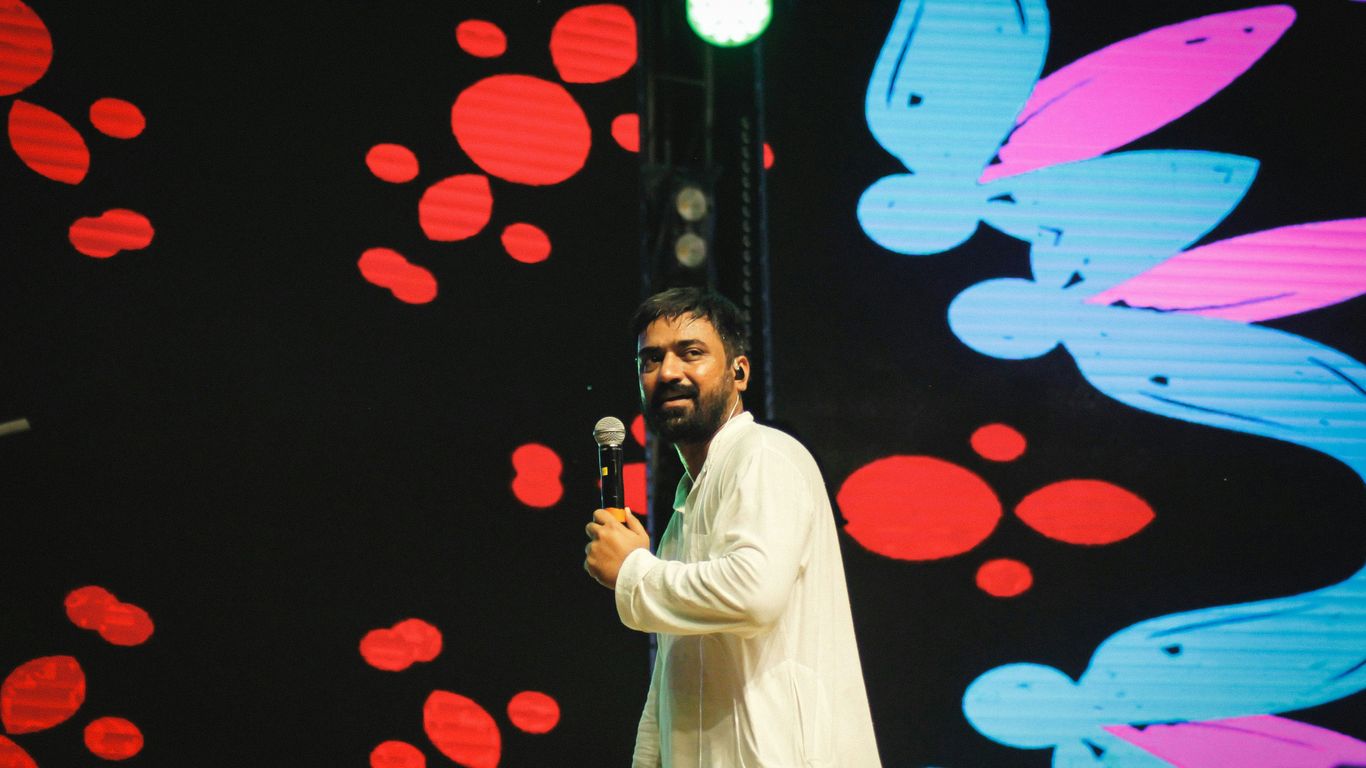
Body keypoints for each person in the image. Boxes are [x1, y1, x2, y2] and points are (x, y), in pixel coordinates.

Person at [584, 287, 882, 767]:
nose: (669, 372)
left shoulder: (763, 456)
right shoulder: (691, 496)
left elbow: (754, 595)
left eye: (692, 353)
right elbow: (673, 677)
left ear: (738, 372)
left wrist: (634, 571)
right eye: (651, 359)